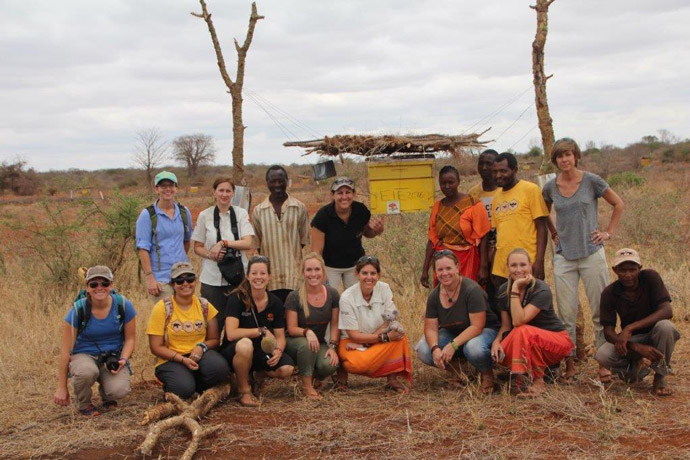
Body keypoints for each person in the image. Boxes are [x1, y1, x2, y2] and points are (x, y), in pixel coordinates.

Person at [542, 138, 624, 382]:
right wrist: (554, 232)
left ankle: (603, 362)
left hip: (591, 253)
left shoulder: (591, 181)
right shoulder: (550, 187)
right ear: (555, 160)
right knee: (567, 314)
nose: (564, 160)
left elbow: (618, 203)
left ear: (576, 156)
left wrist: (607, 232)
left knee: (600, 310)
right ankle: (570, 364)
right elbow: (543, 211)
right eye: (559, 156)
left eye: (568, 155)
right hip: (564, 256)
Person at [594, 248, 680, 396]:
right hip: (633, 339)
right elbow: (608, 332)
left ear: (639, 269)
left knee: (666, 327)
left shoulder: (651, 277)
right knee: (602, 355)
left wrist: (630, 327)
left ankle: (660, 377)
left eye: (632, 270)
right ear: (615, 270)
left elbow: (667, 311)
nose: (628, 275)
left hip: (655, 333)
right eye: (623, 270)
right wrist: (635, 347)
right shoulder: (609, 292)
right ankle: (633, 367)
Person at [54, 266, 136, 416]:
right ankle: (84, 403)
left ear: (111, 285)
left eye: (104, 283)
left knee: (119, 390)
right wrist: (62, 387)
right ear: (87, 287)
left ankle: (107, 397)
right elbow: (66, 350)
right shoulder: (77, 311)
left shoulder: (123, 305)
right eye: (94, 284)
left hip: (112, 355)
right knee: (87, 371)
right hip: (84, 354)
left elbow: (130, 339)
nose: (100, 288)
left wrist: (123, 358)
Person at [491, 249, 573, 397]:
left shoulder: (541, 289)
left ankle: (537, 381)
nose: (518, 270)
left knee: (523, 330)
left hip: (555, 342)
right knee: (502, 347)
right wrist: (496, 341)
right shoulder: (503, 290)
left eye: (523, 265)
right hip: (526, 341)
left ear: (530, 266)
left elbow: (518, 321)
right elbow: (506, 326)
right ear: (507, 267)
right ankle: (523, 373)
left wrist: (515, 288)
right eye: (513, 265)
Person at [416, 250, 499, 393]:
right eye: (440, 269)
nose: (444, 273)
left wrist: (452, 345)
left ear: (457, 267)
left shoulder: (472, 290)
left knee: (473, 347)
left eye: (448, 268)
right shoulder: (434, 295)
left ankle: (487, 374)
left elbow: (477, 326)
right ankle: (457, 372)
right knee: (423, 349)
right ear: (435, 271)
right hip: (453, 332)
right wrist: (435, 348)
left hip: (484, 330)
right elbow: (430, 328)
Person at [146, 262, 230, 399]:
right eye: (179, 280)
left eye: (190, 279)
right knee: (183, 389)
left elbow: (214, 339)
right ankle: (177, 385)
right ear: (173, 284)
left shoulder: (204, 305)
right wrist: (182, 360)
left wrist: (201, 347)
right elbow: (155, 347)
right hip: (171, 358)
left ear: (195, 281)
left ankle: (195, 386)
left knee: (220, 369)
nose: (185, 283)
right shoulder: (163, 308)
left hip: (198, 355)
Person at [219, 256, 295, 407]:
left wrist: (278, 350)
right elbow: (231, 333)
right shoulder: (237, 298)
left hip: (261, 350)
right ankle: (244, 389)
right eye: (254, 273)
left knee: (287, 369)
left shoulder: (276, 302)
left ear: (269, 276)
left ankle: (258, 374)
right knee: (245, 345)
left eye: (262, 273)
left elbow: (280, 336)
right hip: (236, 349)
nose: (258, 277)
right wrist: (260, 331)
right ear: (247, 276)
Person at [337, 256, 412, 393]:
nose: (369, 277)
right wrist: (383, 338)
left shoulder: (384, 288)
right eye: (364, 273)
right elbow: (354, 335)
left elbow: (388, 321)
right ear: (357, 274)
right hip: (351, 341)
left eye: (373, 273)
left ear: (378, 275)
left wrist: (368, 342)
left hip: (374, 339)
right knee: (356, 364)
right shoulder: (347, 297)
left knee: (400, 338)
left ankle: (392, 379)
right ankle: (341, 376)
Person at [191, 177, 254, 321]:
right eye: (221, 190)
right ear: (214, 192)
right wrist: (211, 254)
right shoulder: (204, 215)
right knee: (213, 324)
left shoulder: (241, 214)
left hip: (238, 279)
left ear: (233, 193)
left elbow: (247, 243)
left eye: (228, 191)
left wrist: (224, 243)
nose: (224, 194)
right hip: (212, 279)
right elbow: (198, 247)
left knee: (238, 322)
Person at [484, 152, 549, 289]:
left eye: (503, 171)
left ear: (515, 170)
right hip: (502, 268)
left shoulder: (530, 190)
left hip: (525, 266)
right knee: (506, 309)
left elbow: (542, 228)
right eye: (495, 172)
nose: (498, 175)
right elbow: (498, 236)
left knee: (530, 308)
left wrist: (539, 261)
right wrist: (494, 268)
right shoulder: (496, 198)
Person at [420, 165, 490, 287]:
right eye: (443, 183)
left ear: (458, 181)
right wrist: (425, 270)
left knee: (468, 295)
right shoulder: (438, 207)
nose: (447, 186)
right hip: (443, 261)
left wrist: (483, 267)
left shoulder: (473, 204)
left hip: (468, 259)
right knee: (444, 297)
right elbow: (432, 239)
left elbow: (483, 236)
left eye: (451, 182)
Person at [311, 177, 384, 291]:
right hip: (330, 266)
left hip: (354, 264)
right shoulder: (323, 216)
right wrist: (319, 272)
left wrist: (377, 230)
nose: (344, 197)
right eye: (339, 193)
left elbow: (367, 233)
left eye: (348, 192)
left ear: (353, 194)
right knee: (329, 299)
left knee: (355, 300)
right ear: (333, 195)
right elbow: (316, 251)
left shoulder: (360, 210)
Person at [285, 253, 341, 400]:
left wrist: (333, 346)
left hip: (318, 341)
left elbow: (335, 324)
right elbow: (291, 328)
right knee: (307, 344)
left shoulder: (333, 294)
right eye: (309, 270)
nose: (313, 274)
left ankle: (314, 375)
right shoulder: (294, 296)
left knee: (329, 364)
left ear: (323, 272)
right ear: (303, 272)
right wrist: (307, 332)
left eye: (317, 269)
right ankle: (307, 387)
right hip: (295, 340)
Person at [252, 165, 309, 303]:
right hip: (271, 277)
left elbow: (302, 240)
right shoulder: (258, 211)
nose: (277, 185)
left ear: (287, 181)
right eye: (273, 181)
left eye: (280, 180)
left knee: (293, 316)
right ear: (267, 183)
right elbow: (258, 244)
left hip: (293, 276)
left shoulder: (299, 208)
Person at [136, 171, 193, 301]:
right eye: (163, 186)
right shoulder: (147, 215)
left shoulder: (184, 212)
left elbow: (187, 239)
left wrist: (181, 262)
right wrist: (150, 278)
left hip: (183, 276)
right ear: (157, 189)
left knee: (185, 317)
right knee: (168, 316)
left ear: (176, 188)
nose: (168, 189)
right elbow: (143, 248)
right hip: (160, 279)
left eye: (171, 185)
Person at [468, 149, 499, 295]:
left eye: (489, 164)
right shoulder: (473, 193)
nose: (484, 168)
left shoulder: (503, 191)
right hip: (481, 246)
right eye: (481, 164)